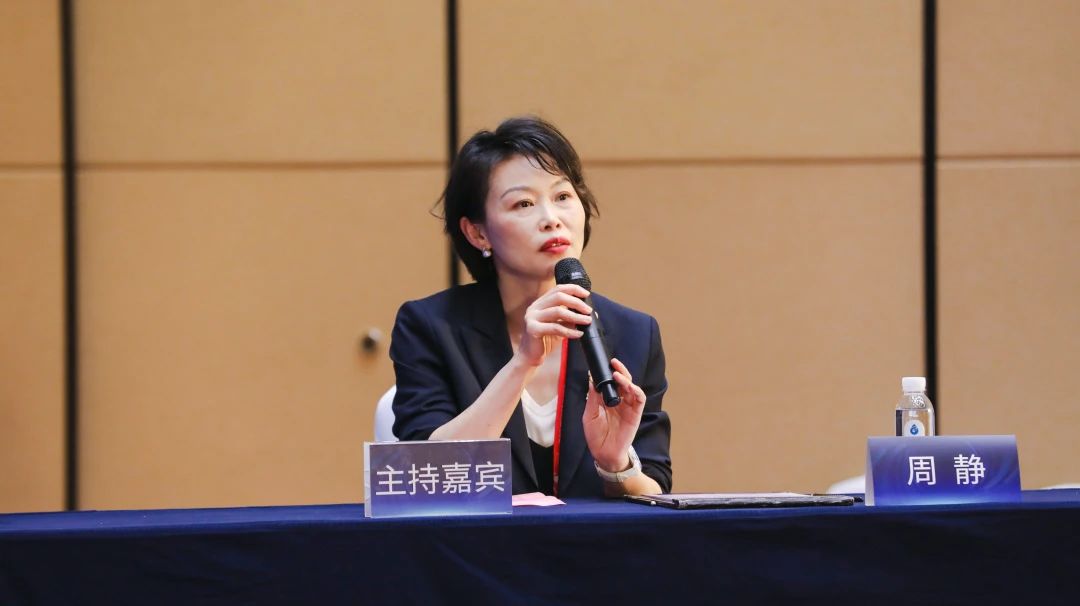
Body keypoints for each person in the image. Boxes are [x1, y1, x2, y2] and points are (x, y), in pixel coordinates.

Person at [390, 116, 671, 498]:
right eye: (523, 203)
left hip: (593, 539)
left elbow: (656, 487)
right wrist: (523, 362)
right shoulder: (430, 326)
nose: (551, 219)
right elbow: (426, 475)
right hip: (479, 538)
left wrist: (615, 464)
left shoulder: (634, 333)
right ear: (478, 232)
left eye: (562, 197)